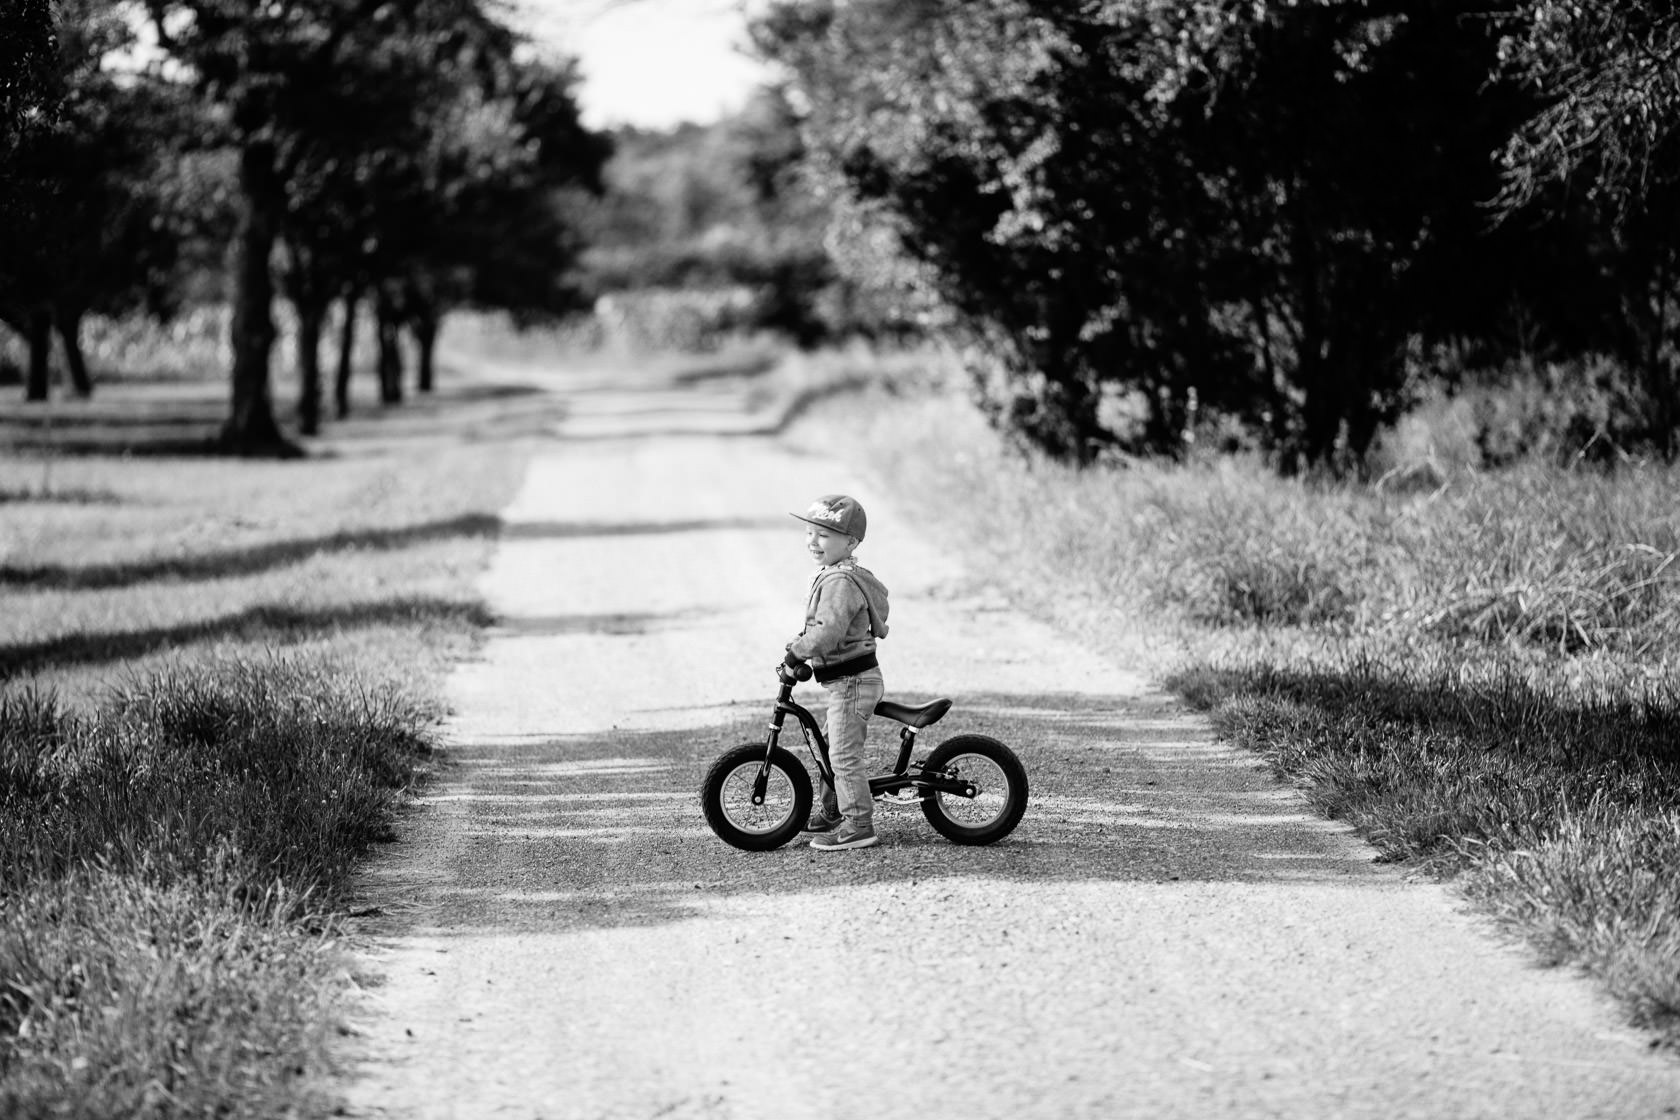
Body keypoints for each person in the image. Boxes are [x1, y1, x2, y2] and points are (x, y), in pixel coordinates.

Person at [784, 494, 891, 851]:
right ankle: (833, 812)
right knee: (830, 748)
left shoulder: (840, 582)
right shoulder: (836, 575)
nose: (813, 541)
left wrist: (798, 652)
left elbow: (828, 632)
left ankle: (859, 824)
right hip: (849, 681)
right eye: (810, 532)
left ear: (851, 542)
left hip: (852, 682)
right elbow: (823, 626)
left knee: (843, 755)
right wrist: (802, 641)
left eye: (824, 535)